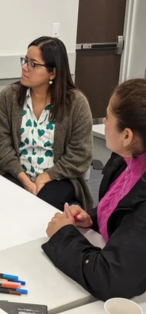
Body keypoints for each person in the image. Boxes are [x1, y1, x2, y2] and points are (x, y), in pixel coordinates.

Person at [42, 79, 146, 301]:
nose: (103, 121)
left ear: (127, 136)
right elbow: (123, 210)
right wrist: (93, 218)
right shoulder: (125, 159)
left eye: (108, 116)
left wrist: (63, 235)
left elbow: (110, 279)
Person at [0, 36, 93, 210]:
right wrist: (23, 178)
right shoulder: (9, 96)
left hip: (57, 179)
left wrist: (45, 177)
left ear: (53, 72)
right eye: (25, 61)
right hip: (15, 173)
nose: (24, 67)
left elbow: (80, 155)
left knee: (40, 208)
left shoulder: (76, 103)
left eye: (33, 64)